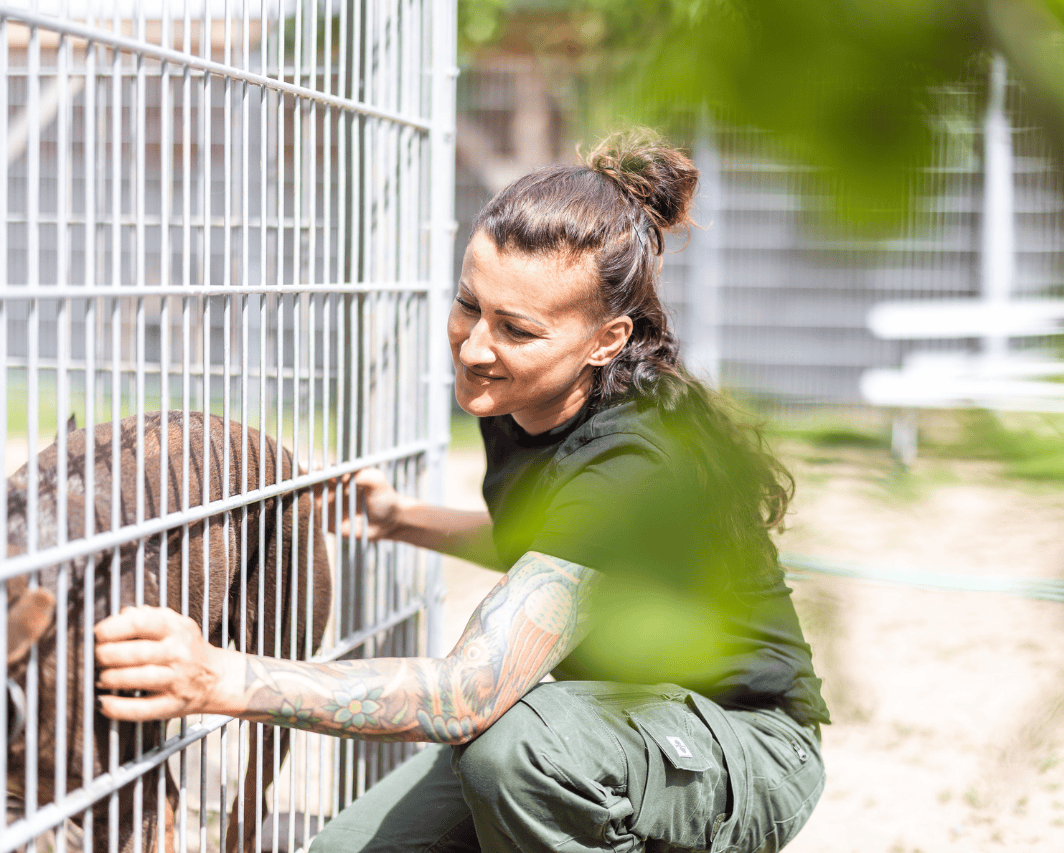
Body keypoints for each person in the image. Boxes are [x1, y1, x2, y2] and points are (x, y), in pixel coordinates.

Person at [93, 130, 829, 853]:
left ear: (606, 341)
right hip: (587, 722)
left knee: (511, 752)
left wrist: (221, 676)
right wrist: (402, 518)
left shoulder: (635, 459)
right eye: (469, 304)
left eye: (516, 328)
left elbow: (464, 695)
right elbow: (557, 559)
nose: (476, 346)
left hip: (738, 743)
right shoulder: (523, 398)